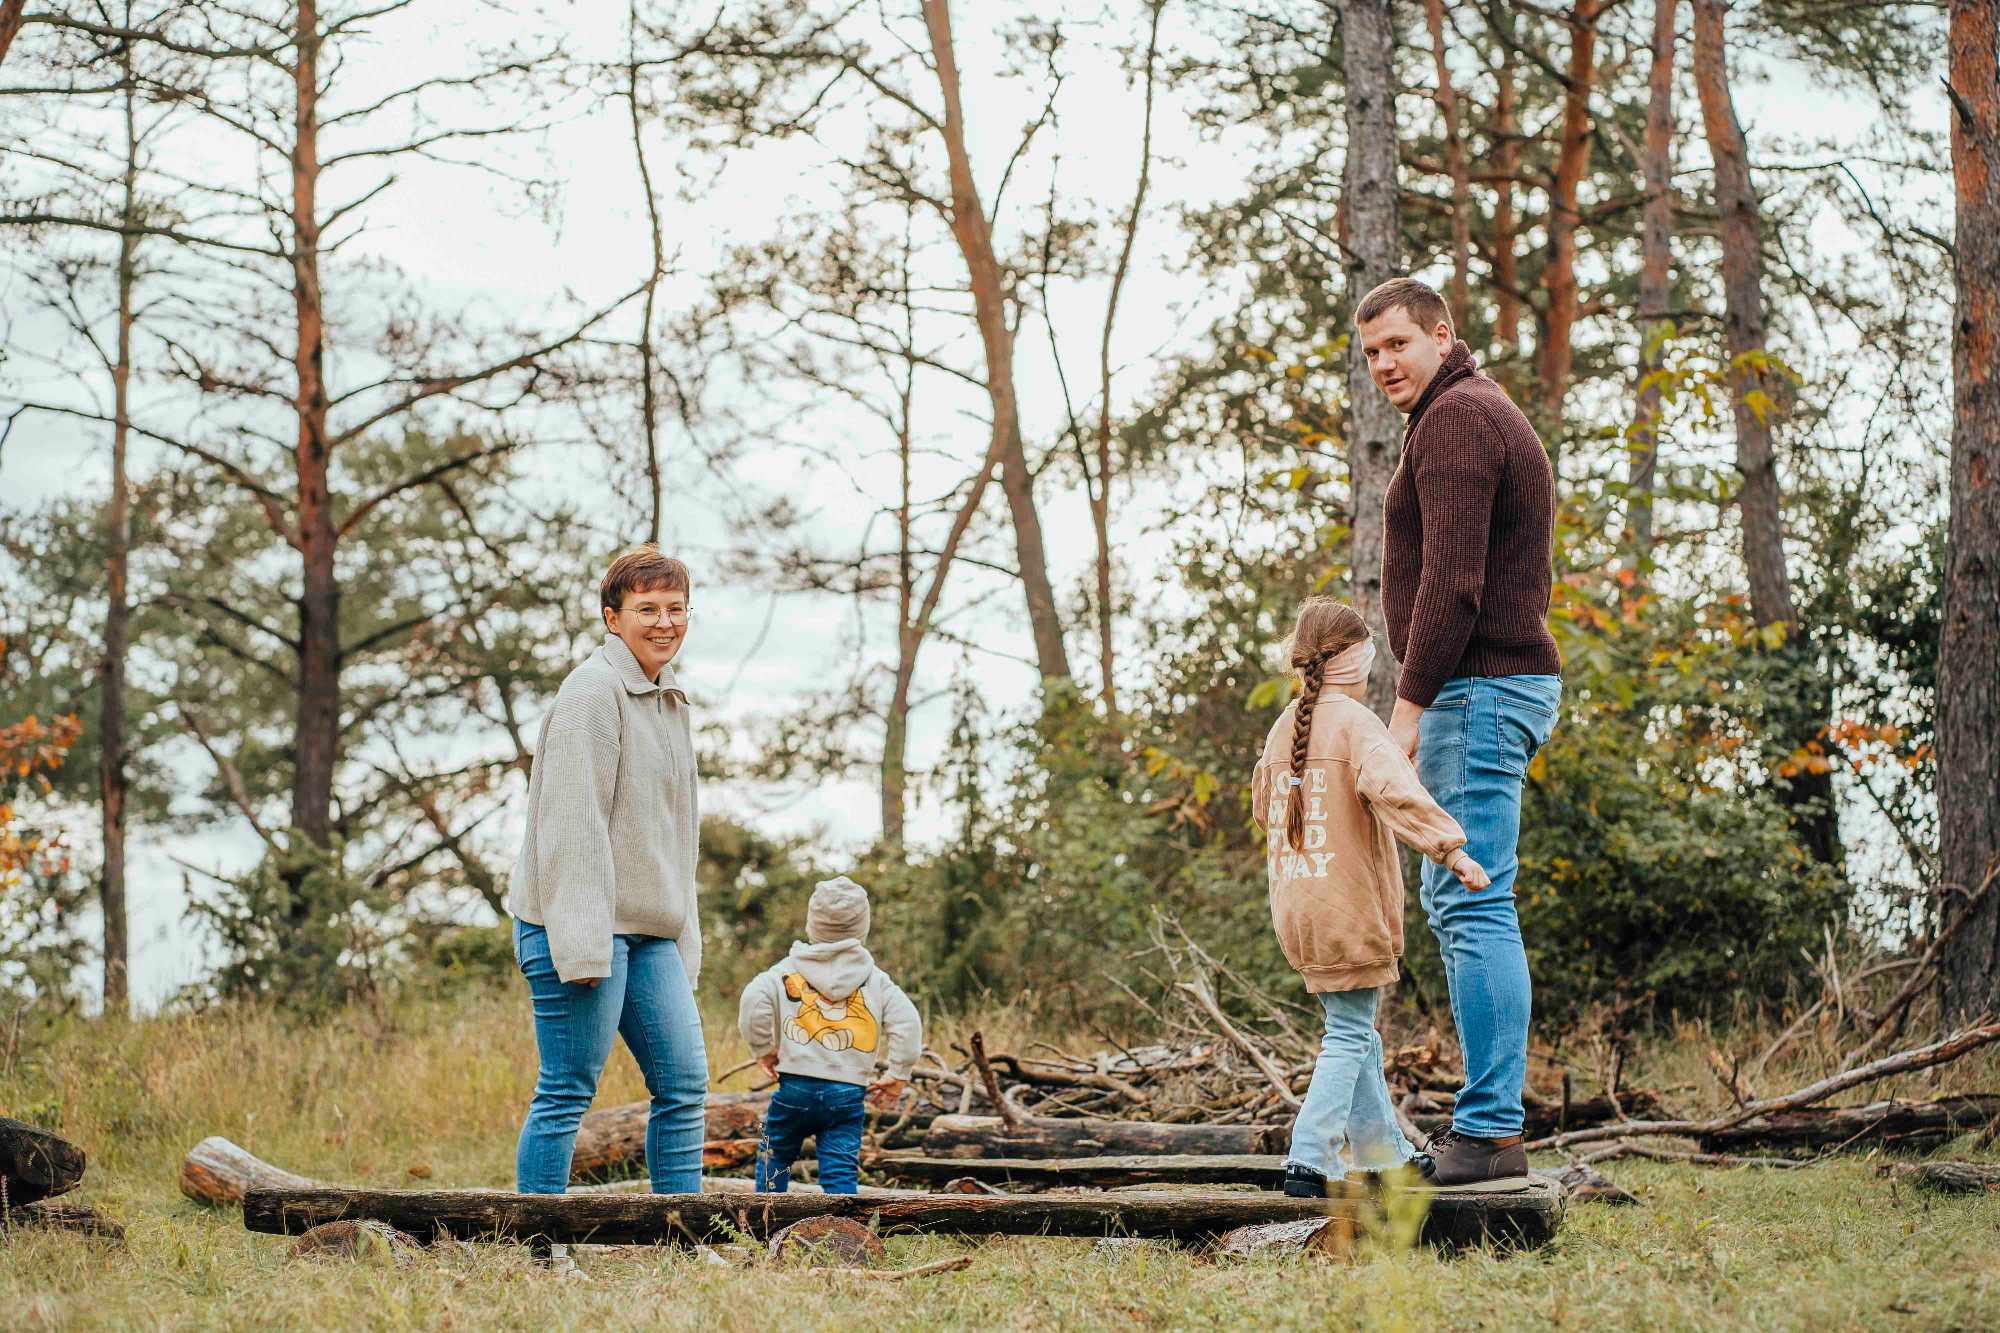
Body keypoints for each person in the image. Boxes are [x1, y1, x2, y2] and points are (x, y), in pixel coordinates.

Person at [1358, 276, 1563, 1191]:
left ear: (1442, 336)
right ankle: (1488, 1126)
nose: (1384, 363)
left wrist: (1406, 711)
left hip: (1477, 690)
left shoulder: (1457, 421)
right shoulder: (1461, 415)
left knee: (1473, 901)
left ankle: (1488, 1133)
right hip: (1484, 687)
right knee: (1464, 901)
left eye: (1398, 343)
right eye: (1371, 352)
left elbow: (1454, 584)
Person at [1252, 597, 1498, 1197]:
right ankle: (1309, 1159)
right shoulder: (1358, 724)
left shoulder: (1284, 727)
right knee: (1348, 1034)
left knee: (1356, 1029)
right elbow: (1399, 795)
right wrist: (1453, 851)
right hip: (1348, 909)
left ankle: (1384, 1154)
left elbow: (1265, 811)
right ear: (1356, 660)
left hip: (1298, 907)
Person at [506, 546, 709, 1200]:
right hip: (578, 925)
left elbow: (677, 835)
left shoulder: (668, 698)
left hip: (648, 930)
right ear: (612, 618)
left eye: (675, 608)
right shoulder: (591, 694)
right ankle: (542, 1242)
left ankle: (682, 1236)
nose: (664, 622)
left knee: (684, 1084)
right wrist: (584, 941)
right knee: (567, 1088)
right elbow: (572, 822)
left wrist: (683, 932)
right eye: (647, 609)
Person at [738, 875, 922, 1195]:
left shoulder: (784, 971)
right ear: (862, 929)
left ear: (812, 925)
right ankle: (841, 1224)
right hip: (848, 1091)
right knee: (840, 1167)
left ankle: (765, 1217)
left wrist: (763, 1049)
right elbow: (908, 1022)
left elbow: (753, 1001)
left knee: (776, 1153)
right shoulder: (876, 979)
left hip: (795, 1086)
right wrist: (898, 1073)